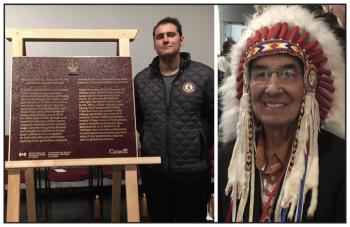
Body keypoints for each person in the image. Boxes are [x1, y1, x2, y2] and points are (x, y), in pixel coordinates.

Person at [218, 5, 345, 222]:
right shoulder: (228, 162)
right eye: (261, 74)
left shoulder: (341, 163)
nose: (273, 88)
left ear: (309, 84)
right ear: (247, 86)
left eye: (287, 73)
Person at [134, 17, 214, 222]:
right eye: (160, 36)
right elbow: (140, 121)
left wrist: (200, 141)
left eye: (171, 34)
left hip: (193, 171)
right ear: (154, 43)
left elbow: (214, 118)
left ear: (181, 39)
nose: (166, 40)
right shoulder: (141, 80)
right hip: (154, 171)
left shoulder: (204, 75)